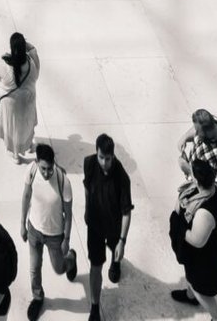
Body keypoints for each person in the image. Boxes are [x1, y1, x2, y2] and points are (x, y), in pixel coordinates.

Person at [19, 142, 76, 316]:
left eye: (49, 169)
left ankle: (71, 259)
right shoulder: (31, 171)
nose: (46, 173)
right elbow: (26, 195)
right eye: (43, 168)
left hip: (54, 235)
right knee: (34, 268)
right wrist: (22, 223)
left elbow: (68, 213)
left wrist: (66, 240)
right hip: (34, 230)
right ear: (36, 162)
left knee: (58, 269)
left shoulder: (63, 182)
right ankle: (37, 297)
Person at [82, 132, 133, 321]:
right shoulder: (89, 163)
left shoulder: (122, 178)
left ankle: (116, 261)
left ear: (113, 156)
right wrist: (88, 211)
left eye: (108, 159)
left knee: (115, 250)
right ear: (96, 153)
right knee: (95, 266)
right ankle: (95, 307)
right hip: (94, 226)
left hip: (114, 226)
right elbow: (87, 187)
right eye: (101, 157)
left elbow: (127, 212)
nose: (104, 162)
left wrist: (122, 241)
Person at [170, 153, 217, 315]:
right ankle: (190, 296)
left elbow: (197, 240)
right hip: (197, 258)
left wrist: (179, 228)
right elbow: (188, 170)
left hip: (204, 260)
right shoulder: (206, 190)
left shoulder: (205, 212)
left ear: (198, 181)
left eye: (192, 175)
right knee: (191, 278)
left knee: (200, 289)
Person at [0, 30, 38, 162]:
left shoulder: (5, 66)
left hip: (10, 105)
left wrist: (4, 56)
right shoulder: (31, 64)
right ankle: (29, 145)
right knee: (27, 125)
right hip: (28, 101)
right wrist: (27, 46)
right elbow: (36, 68)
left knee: (12, 129)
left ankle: (15, 155)